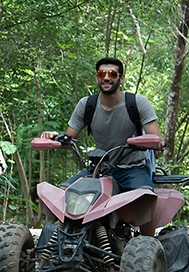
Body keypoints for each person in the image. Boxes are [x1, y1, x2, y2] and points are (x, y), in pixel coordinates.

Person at [41, 57, 162, 237]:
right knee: (61, 194)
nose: (106, 77)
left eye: (112, 74)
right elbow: (69, 139)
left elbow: (156, 138)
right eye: (101, 74)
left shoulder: (137, 102)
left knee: (145, 197)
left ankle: (149, 244)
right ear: (97, 78)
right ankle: (59, 242)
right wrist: (55, 137)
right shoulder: (86, 105)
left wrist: (153, 142)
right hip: (99, 169)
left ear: (121, 78)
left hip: (132, 168)